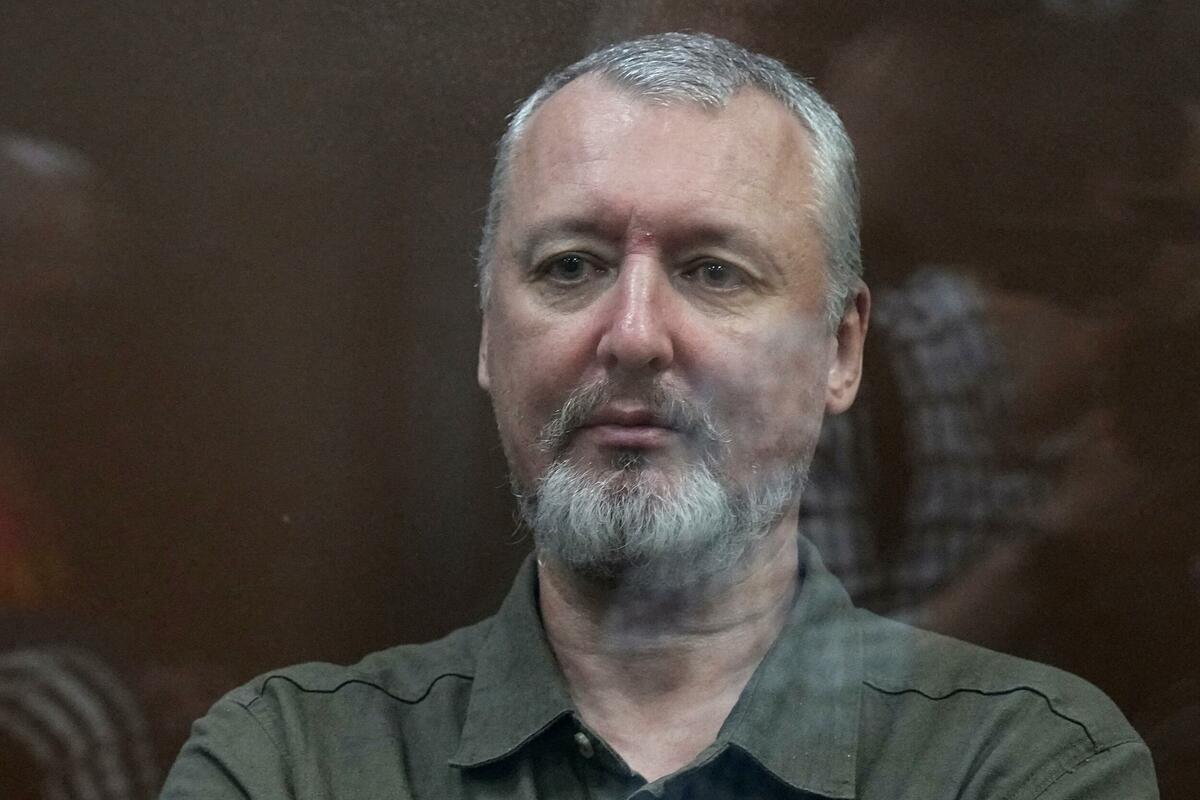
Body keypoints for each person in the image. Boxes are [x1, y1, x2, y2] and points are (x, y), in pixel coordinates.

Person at [161, 33, 1157, 798]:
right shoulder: (292, 762)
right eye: (571, 267)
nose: (634, 334)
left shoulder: (1022, 762)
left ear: (841, 351)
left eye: (713, 271)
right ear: (487, 338)